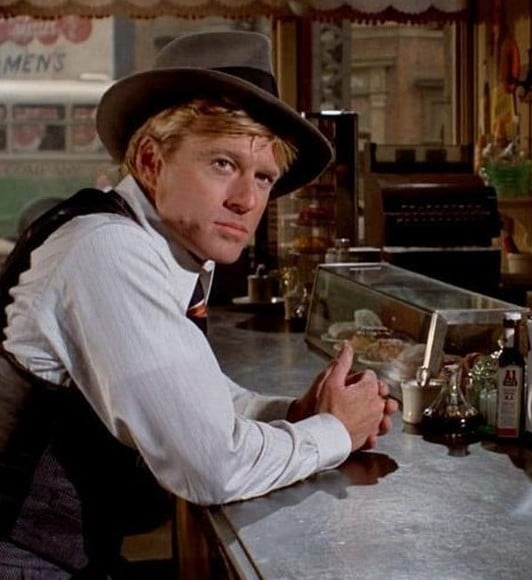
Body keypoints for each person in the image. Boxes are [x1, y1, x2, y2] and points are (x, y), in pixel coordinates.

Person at [0, 30, 398, 577]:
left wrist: (294, 415)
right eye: (222, 164)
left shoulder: (165, 246)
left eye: (264, 177)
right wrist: (335, 433)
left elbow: (190, 391)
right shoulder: (107, 251)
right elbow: (211, 468)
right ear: (150, 160)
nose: (247, 200)